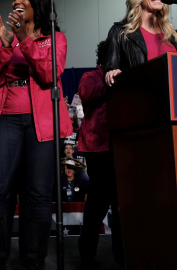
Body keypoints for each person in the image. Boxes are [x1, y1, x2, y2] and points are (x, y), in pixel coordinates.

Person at [0, 1, 72, 269]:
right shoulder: (6, 38)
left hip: (41, 121)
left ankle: (33, 260)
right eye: (14, 1)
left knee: (37, 193)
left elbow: (49, 74)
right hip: (8, 119)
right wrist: (6, 46)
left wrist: (24, 41)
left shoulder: (54, 37)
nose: (16, 2)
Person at [78, 41, 125, 270]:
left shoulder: (126, 75)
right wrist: (111, 80)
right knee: (97, 205)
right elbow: (87, 95)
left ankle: (121, 253)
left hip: (122, 146)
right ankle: (87, 256)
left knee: (121, 204)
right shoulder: (90, 77)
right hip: (98, 148)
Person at [105, 0, 177, 87]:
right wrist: (113, 75)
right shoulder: (119, 32)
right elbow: (110, 71)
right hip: (145, 97)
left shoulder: (172, 34)